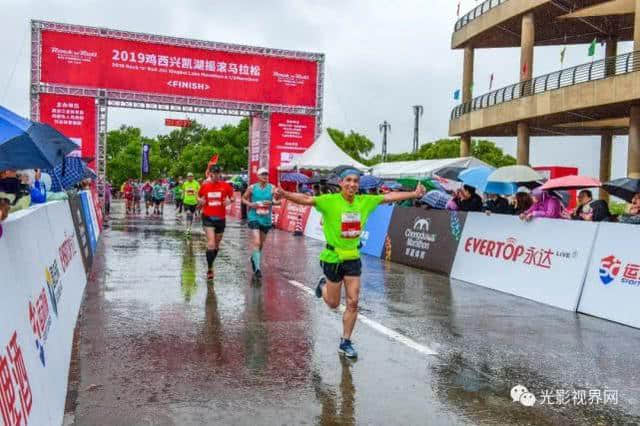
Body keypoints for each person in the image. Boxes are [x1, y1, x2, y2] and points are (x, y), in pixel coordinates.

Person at [274, 166, 426, 358]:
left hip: (353, 257)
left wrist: (413, 193)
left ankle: (345, 341)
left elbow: (388, 197)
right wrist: (285, 193)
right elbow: (306, 199)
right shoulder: (329, 201)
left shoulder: (365, 202)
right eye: (348, 180)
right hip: (332, 258)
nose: (352, 184)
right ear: (341, 183)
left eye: (355, 181)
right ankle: (324, 286)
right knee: (333, 304)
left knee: (353, 302)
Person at [198, 165, 235, 282]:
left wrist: (230, 201)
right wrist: (200, 202)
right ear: (210, 174)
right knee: (211, 243)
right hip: (208, 217)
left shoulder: (226, 186)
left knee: (217, 245)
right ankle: (210, 269)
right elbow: (199, 200)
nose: (217, 175)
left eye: (219, 173)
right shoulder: (205, 186)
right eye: (215, 173)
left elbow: (232, 197)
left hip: (220, 218)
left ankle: (211, 263)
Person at [242, 168, 280, 279]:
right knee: (257, 242)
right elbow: (243, 199)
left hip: (266, 219)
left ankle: (254, 257)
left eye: (266, 175)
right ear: (258, 176)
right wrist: (250, 204)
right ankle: (257, 269)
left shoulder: (272, 188)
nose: (265, 176)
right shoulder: (252, 188)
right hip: (254, 217)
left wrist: (272, 202)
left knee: (260, 245)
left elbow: (279, 201)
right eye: (263, 175)